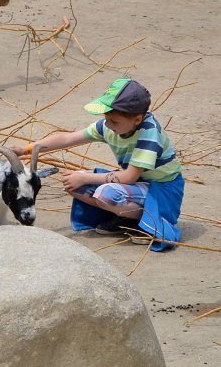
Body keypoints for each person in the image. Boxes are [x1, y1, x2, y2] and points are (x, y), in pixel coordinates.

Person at [24, 78, 185, 250]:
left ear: (137, 119)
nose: (107, 125)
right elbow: (68, 138)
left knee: (105, 192)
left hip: (162, 190)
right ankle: (125, 218)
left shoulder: (149, 133)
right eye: (106, 118)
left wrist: (86, 178)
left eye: (114, 121)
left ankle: (146, 223)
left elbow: (129, 176)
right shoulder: (111, 126)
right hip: (139, 185)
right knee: (73, 183)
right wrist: (27, 148)